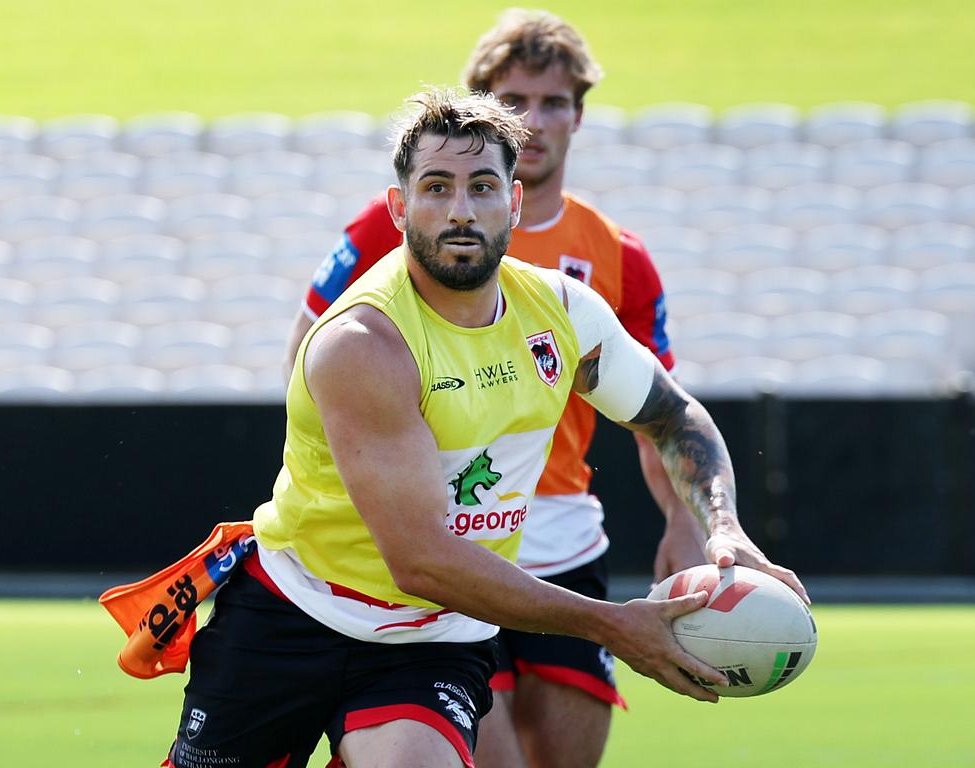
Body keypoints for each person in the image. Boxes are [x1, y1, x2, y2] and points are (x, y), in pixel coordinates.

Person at [158, 88, 807, 768]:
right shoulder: (364, 342)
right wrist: (615, 627)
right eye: (436, 187)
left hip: (432, 640)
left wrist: (722, 524)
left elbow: (673, 417)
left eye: (483, 187)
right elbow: (420, 560)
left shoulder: (562, 313)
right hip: (295, 615)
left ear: (515, 203)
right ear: (399, 208)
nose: (461, 210)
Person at [283, 10, 709, 766]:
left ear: (580, 114)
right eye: (516, 102)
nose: (536, 121)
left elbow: (661, 410)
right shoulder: (398, 228)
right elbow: (311, 353)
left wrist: (685, 520)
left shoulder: (617, 255)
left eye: (555, 103)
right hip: (442, 533)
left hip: (563, 535)